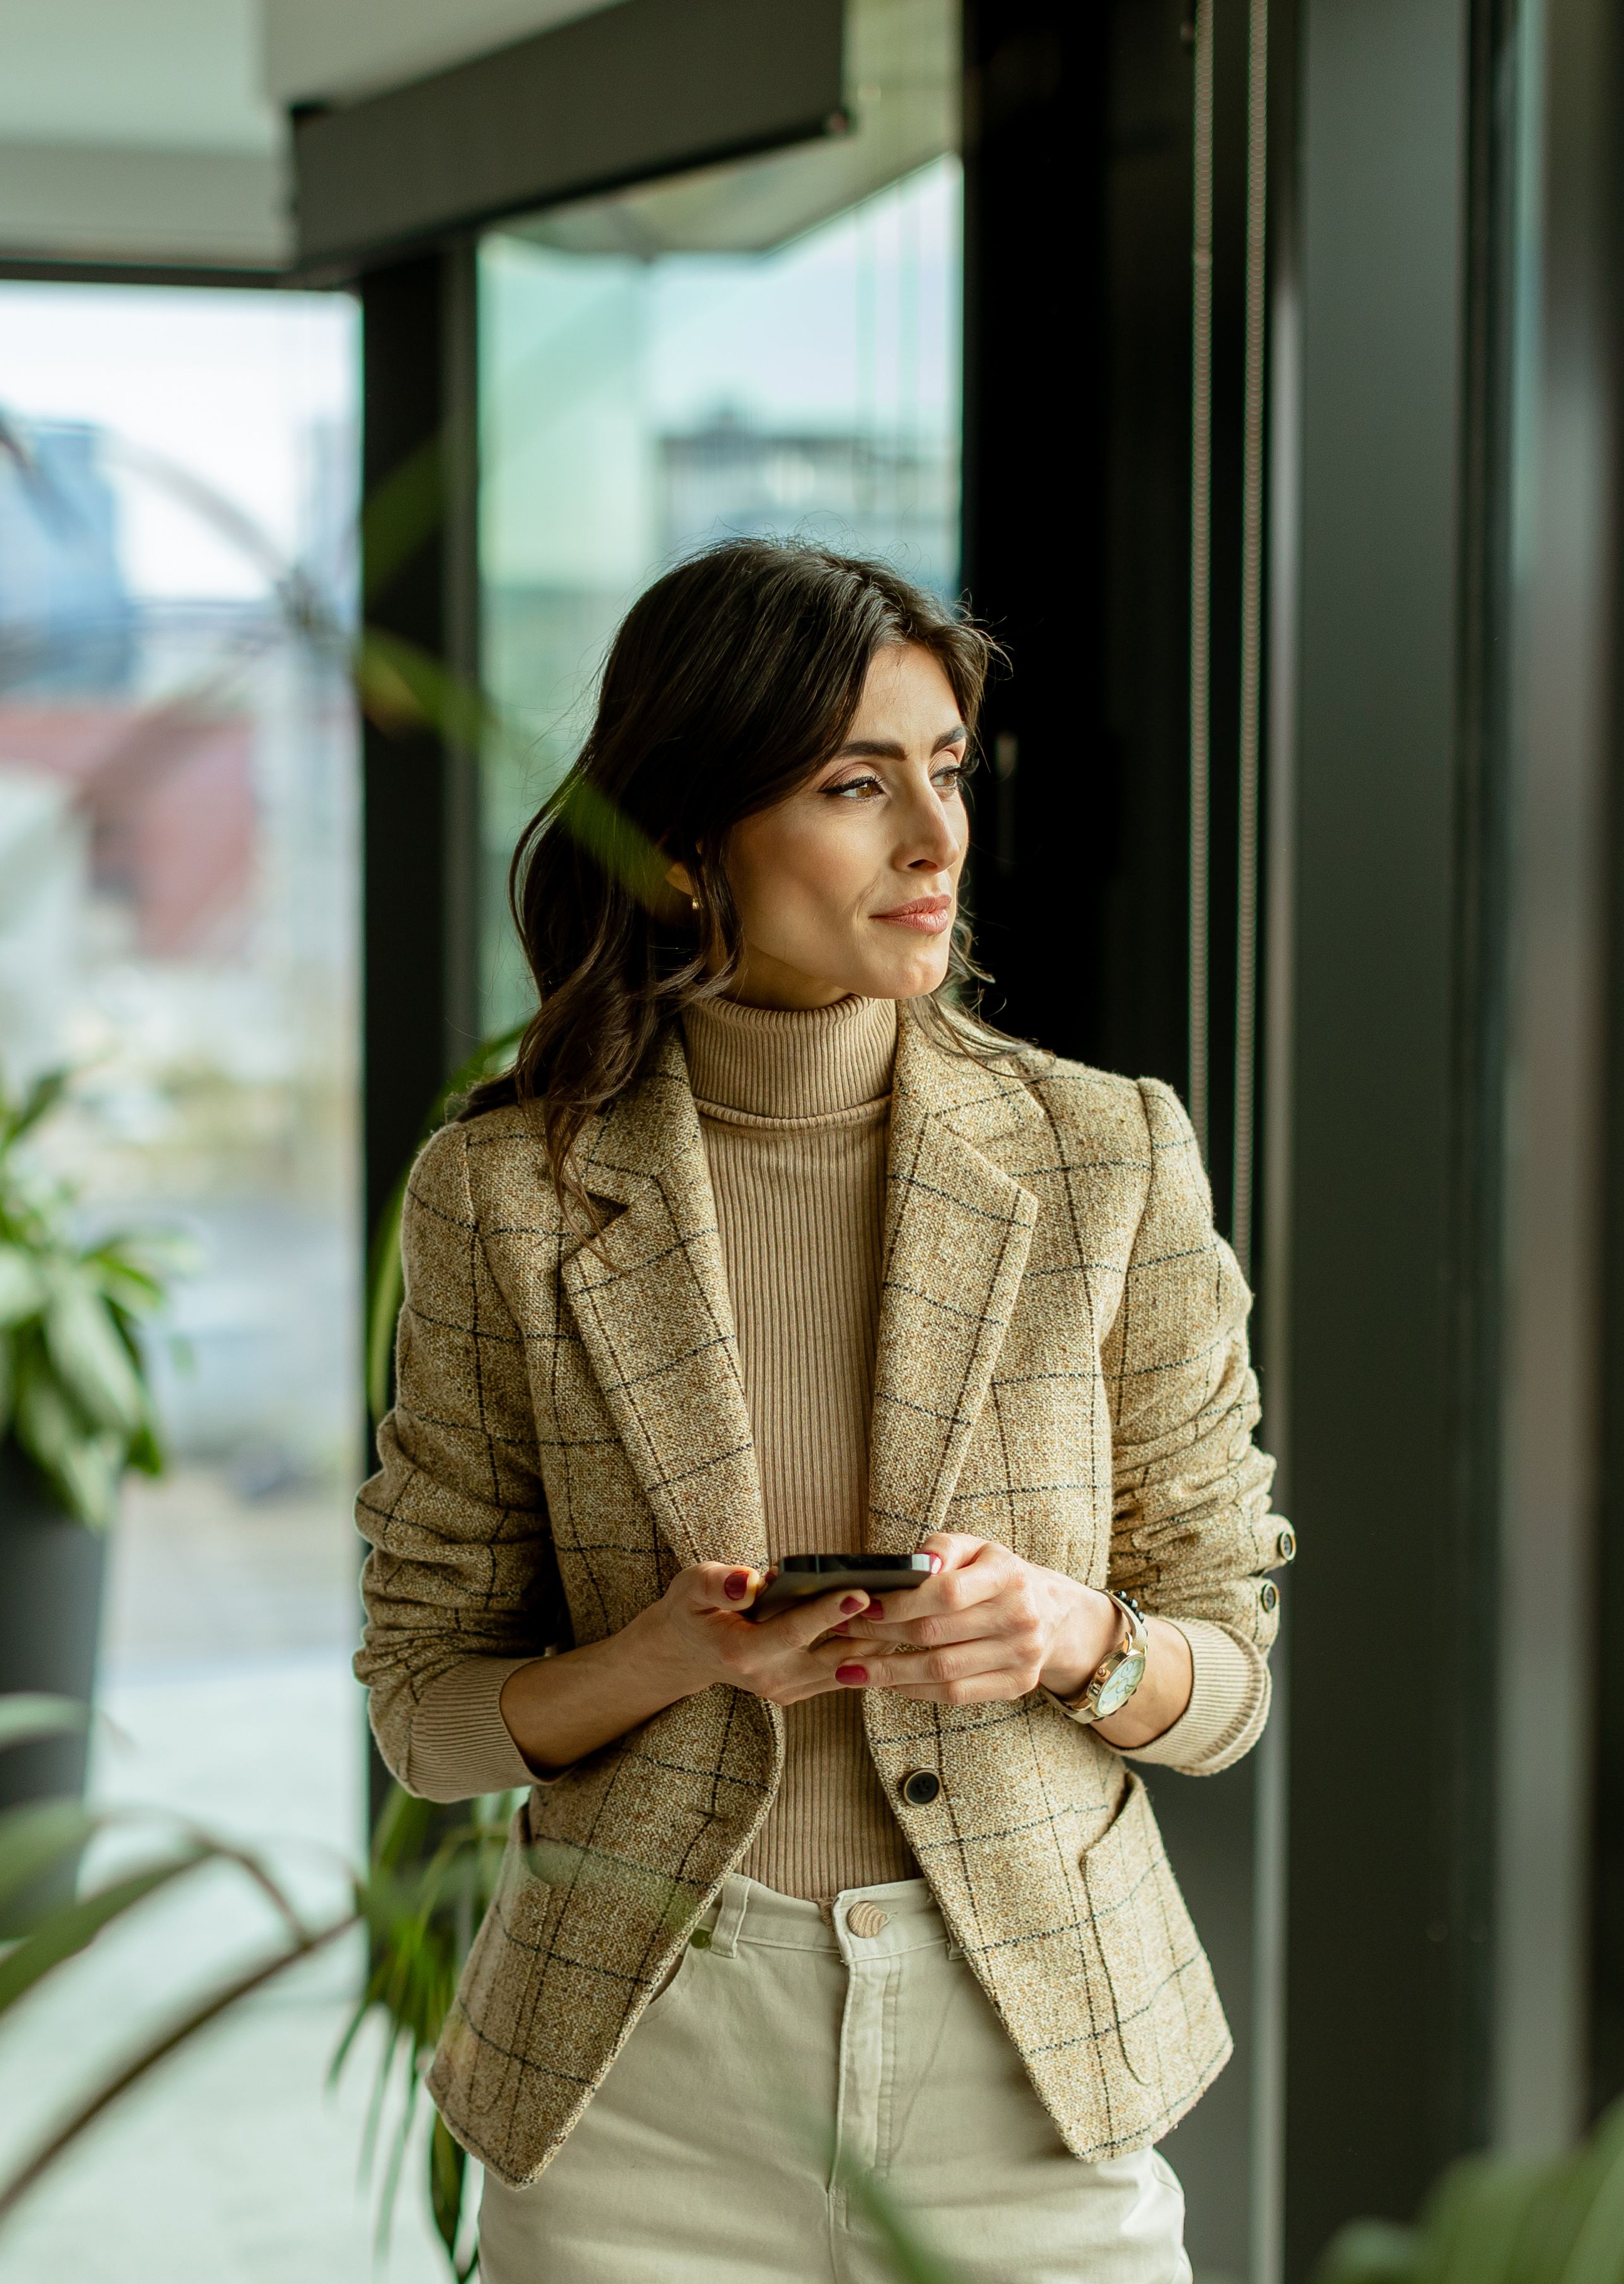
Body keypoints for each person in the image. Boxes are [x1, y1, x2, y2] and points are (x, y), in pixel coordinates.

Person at [356, 539, 1290, 2284]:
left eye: (944, 772)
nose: (938, 842)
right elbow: (425, 1716)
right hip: (646, 2079)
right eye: (858, 787)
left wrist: (1075, 1638)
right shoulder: (502, 1197)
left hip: (1029, 2078)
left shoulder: (1106, 1156)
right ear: (691, 841)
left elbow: (1226, 1679)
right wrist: (668, 1660)